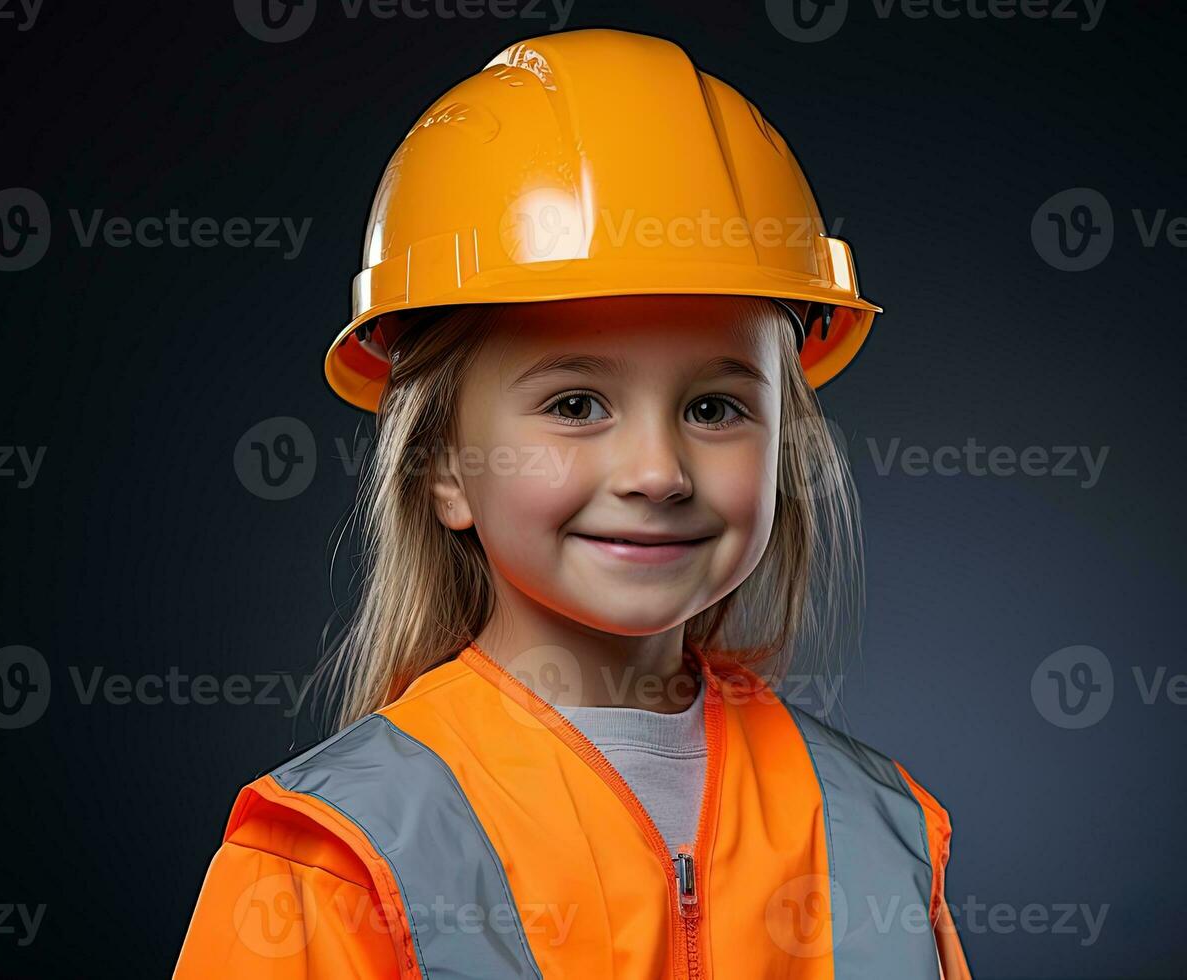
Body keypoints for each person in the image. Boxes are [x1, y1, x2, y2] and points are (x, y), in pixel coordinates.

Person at [175, 27, 971, 979]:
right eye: (576, 405)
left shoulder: (879, 828)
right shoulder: (335, 855)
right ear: (444, 466)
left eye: (715, 407)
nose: (657, 471)